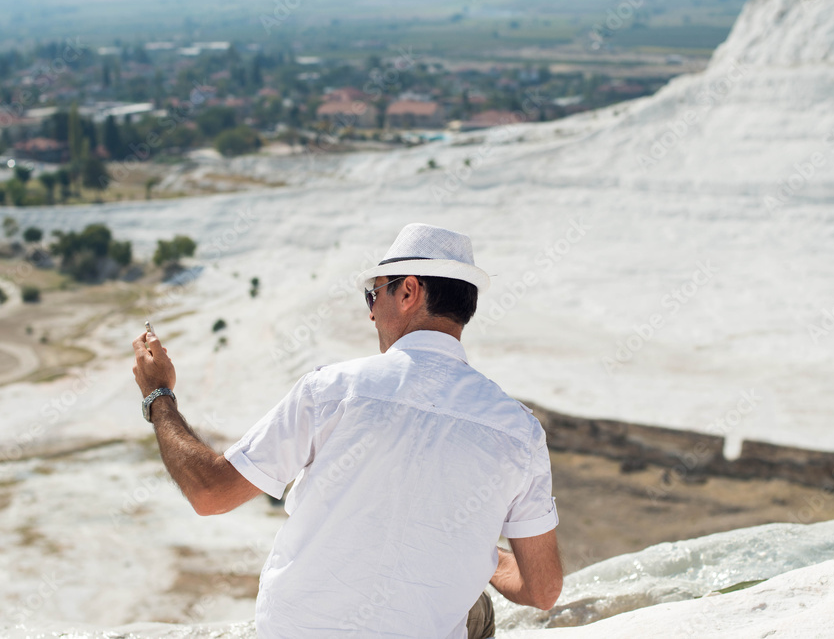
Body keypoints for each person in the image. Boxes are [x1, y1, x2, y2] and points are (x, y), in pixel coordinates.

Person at [132, 223, 563, 638]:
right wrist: (459, 546)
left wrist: (159, 395)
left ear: (409, 291)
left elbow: (210, 493)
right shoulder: (518, 430)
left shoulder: (332, 390)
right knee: (475, 609)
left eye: (373, 295)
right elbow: (542, 590)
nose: (371, 312)